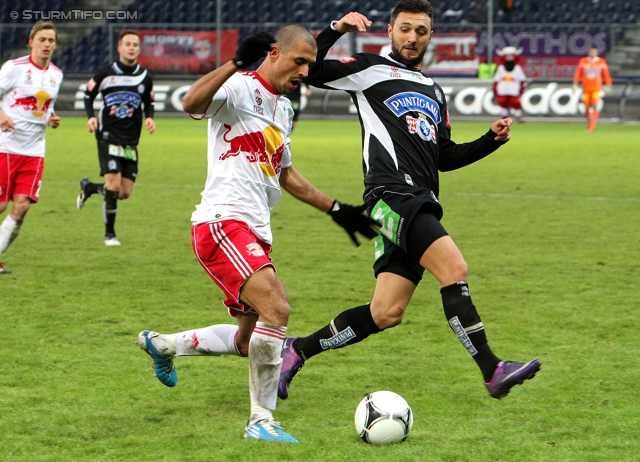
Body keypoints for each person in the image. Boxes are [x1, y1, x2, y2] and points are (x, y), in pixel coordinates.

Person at [279, 0, 541, 402]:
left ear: (430, 35)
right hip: (390, 196)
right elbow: (309, 69)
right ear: (390, 31)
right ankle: (492, 369)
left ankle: (296, 350)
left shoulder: (435, 91)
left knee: (386, 313)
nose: (412, 37)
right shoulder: (367, 69)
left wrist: (491, 140)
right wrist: (336, 28)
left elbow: (444, 157)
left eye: (420, 30)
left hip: (418, 200)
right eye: (405, 28)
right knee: (454, 267)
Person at [134, 25, 376, 443]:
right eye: (299, 61)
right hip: (223, 223)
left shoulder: (282, 109)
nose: (305, 71)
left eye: (310, 64)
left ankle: (164, 344)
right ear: (274, 54)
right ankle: (261, 420)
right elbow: (191, 103)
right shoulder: (240, 86)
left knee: (250, 342)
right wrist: (233, 63)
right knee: (277, 309)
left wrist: (336, 209)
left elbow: (285, 174)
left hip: (255, 230)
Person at [75, 29, 155, 246]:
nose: (131, 48)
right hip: (107, 135)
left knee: (124, 192)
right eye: (127, 44)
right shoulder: (105, 74)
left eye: (135, 45)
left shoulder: (144, 77)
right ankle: (109, 234)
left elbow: (149, 101)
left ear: (139, 49)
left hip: (131, 139)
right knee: (113, 183)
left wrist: (150, 118)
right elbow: (87, 94)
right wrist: (91, 117)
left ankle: (90, 188)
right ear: (119, 48)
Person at [0, 21, 62, 275]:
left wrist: (51, 117)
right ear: (31, 42)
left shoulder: (56, 75)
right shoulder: (14, 69)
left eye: (51, 40)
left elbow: (43, 107)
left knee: (22, 206)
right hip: (5, 146)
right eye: (42, 39)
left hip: (34, 151)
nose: (47, 44)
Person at [573, 47, 612, 132]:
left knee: (595, 105)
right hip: (586, 88)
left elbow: (606, 74)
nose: (593, 53)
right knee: (586, 107)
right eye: (591, 52)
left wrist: (608, 84)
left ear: (597, 53)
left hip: (596, 88)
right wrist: (575, 83)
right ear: (589, 52)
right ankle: (589, 124)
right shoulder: (583, 61)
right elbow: (578, 73)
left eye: (594, 52)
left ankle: (592, 127)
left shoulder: (601, 62)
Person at [493, 46, 526, 122]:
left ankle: (518, 115)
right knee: (503, 101)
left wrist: (521, 89)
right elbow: (496, 80)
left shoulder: (517, 68)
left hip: (514, 89)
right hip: (503, 89)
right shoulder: (501, 68)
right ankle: (504, 116)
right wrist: (495, 89)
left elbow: (522, 80)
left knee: (515, 102)